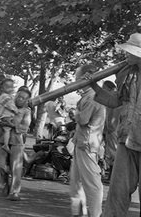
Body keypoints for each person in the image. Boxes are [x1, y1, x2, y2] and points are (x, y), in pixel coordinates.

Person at [88, 33, 141, 217]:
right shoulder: (128, 74)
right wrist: (94, 86)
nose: (126, 54)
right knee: (118, 191)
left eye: (130, 52)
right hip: (126, 139)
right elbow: (115, 101)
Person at [69, 64, 106, 217]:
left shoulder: (91, 97)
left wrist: (74, 114)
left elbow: (83, 120)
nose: (76, 81)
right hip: (82, 143)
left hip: (87, 145)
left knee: (92, 184)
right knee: (76, 182)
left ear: (86, 76)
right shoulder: (89, 95)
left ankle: (95, 214)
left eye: (77, 78)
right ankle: (79, 212)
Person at [0, 86, 31, 201]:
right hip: (2, 140)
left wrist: (12, 125)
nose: (20, 99)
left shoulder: (26, 112)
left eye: (23, 98)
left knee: (16, 167)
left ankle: (14, 192)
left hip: (16, 141)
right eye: (19, 96)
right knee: (0, 164)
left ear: (27, 101)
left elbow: (25, 128)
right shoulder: (6, 106)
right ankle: (4, 185)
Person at [100, 80, 118, 181]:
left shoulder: (113, 97)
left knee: (113, 153)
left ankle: (112, 177)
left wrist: (109, 128)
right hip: (111, 129)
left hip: (113, 129)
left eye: (104, 88)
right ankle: (111, 176)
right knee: (110, 153)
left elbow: (112, 116)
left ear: (109, 88)